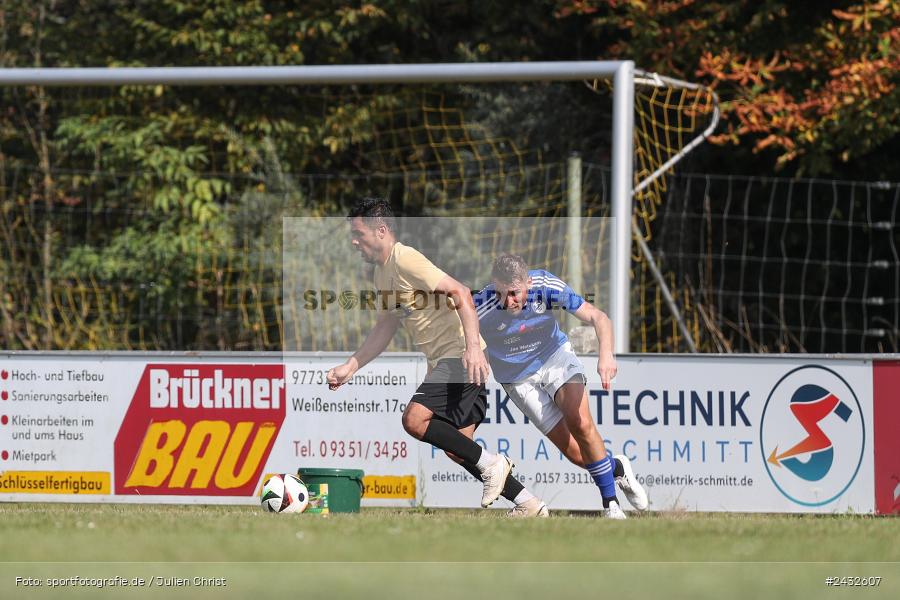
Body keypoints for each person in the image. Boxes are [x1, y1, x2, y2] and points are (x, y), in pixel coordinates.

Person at [326, 198, 548, 516]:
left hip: (460, 355)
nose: (354, 241)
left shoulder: (405, 259)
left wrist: (472, 346)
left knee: (414, 421)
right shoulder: (380, 274)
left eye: (359, 233)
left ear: (381, 231)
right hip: (449, 359)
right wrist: (352, 365)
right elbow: (387, 324)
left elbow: (460, 292)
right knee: (460, 449)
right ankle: (530, 503)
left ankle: (494, 464)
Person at [473, 253, 649, 519]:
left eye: (514, 293)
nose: (507, 301)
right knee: (578, 456)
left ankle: (610, 505)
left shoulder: (545, 285)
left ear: (528, 283)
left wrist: (607, 355)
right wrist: (474, 351)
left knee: (580, 421)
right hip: (517, 378)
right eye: (500, 293)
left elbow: (599, 318)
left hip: (554, 357)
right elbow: (462, 335)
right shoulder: (483, 304)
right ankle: (617, 468)